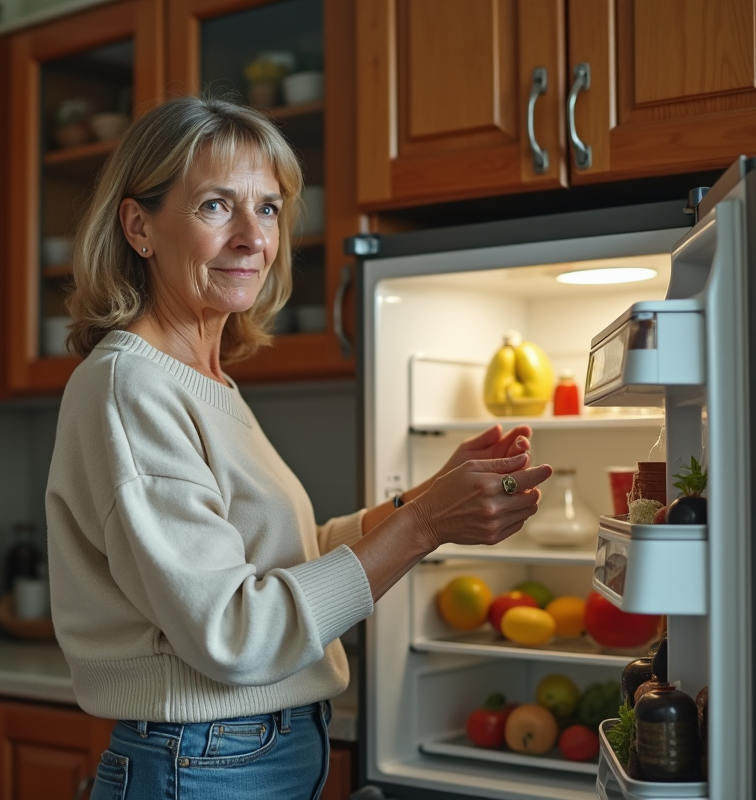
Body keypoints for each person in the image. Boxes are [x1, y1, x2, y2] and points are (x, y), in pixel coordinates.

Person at [46, 96, 552, 800]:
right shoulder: (130, 385)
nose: (253, 237)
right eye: (216, 206)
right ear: (139, 227)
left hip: (244, 753)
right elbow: (235, 632)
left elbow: (282, 559)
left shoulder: (204, 380)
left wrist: (422, 500)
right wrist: (423, 525)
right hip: (204, 762)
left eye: (269, 208)